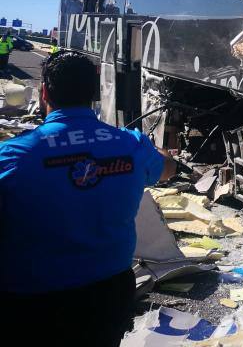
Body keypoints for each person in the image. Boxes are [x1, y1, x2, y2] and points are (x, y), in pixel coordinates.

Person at [0, 51, 177, 346]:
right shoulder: (131, 145)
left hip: (31, 301)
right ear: (94, 94)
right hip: (109, 293)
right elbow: (168, 168)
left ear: (45, 92)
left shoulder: (13, 155)